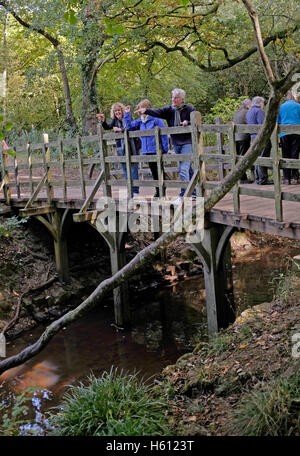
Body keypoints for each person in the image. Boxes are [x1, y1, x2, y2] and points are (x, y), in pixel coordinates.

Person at [135, 88, 196, 201]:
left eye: (176, 97)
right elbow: (157, 112)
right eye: (172, 97)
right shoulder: (169, 110)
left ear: (182, 99)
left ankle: (184, 195)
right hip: (176, 142)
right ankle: (194, 192)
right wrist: (146, 111)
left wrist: (188, 122)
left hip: (187, 141)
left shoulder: (189, 109)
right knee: (188, 169)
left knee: (183, 169)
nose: (173, 99)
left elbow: (196, 121)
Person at [123, 99, 169, 197]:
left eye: (141, 108)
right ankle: (158, 191)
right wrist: (127, 114)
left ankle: (161, 191)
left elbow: (164, 135)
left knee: (159, 171)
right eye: (139, 109)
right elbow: (129, 126)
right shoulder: (140, 121)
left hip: (156, 149)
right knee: (153, 171)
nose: (139, 111)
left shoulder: (156, 119)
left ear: (147, 108)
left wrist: (165, 149)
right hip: (146, 150)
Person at [96, 102, 140, 197]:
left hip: (132, 148)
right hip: (121, 149)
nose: (117, 112)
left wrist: (120, 130)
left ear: (122, 110)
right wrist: (103, 120)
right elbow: (107, 127)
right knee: (125, 170)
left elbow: (130, 127)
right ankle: (129, 191)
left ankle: (135, 191)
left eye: (119, 110)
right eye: (115, 111)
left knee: (133, 170)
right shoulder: (115, 121)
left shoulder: (128, 118)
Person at [246, 96, 273, 185]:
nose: (263, 105)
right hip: (261, 138)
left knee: (257, 158)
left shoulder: (249, 112)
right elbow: (263, 125)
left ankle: (259, 178)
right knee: (263, 157)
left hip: (253, 138)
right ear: (259, 103)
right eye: (263, 103)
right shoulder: (259, 111)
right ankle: (263, 179)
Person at [277, 92, 300, 185]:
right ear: (294, 97)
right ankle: (295, 178)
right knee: (295, 154)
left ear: (287, 97)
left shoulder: (281, 107)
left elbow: (278, 121)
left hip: (284, 133)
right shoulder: (298, 106)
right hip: (297, 133)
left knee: (285, 154)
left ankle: (286, 178)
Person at [233, 98, 252, 183]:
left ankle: (240, 177)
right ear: (248, 105)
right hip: (244, 137)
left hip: (236, 138)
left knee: (239, 157)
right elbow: (249, 123)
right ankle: (243, 178)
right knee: (244, 158)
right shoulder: (246, 112)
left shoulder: (235, 113)